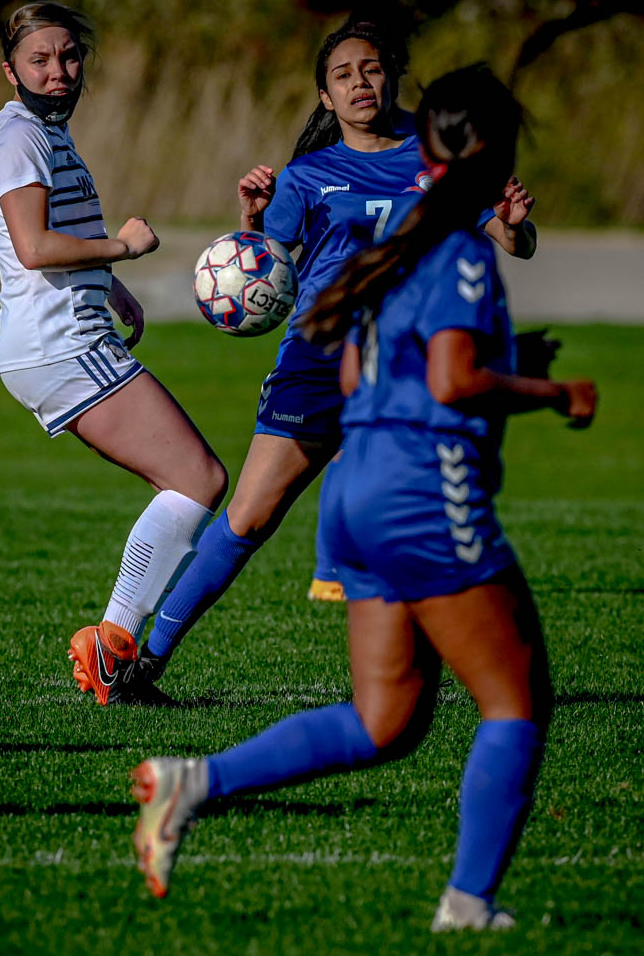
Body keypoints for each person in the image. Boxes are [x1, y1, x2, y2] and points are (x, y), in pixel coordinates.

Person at [129, 63, 598, 928]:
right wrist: (550, 392)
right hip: (423, 493)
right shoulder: (455, 248)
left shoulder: (394, 247)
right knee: (516, 701)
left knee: (387, 722)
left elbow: (358, 366)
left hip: (362, 494)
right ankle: (469, 904)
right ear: (491, 150)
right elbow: (453, 379)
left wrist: (491, 369)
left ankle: (191, 782)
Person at [136, 20, 538, 683]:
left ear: (394, 77)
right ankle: (145, 663)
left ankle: (440, 670)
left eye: (372, 69)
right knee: (250, 516)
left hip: (405, 367)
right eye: (343, 75)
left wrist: (516, 227)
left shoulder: (442, 159)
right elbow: (262, 271)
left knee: (411, 519)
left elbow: (510, 239)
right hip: (318, 359)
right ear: (325, 97)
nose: (359, 83)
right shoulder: (304, 176)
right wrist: (250, 220)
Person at [0, 2, 227, 705]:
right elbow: (33, 247)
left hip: (69, 334)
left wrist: (110, 286)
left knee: (190, 480)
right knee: (197, 477)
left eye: (69, 57)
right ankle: (112, 647)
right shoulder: (18, 138)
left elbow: (50, 241)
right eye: (39, 60)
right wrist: (123, 247)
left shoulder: (47, 133)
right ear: (11, 70)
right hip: (58, 344)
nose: (58, 72)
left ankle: (115, 653)